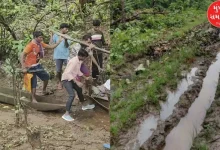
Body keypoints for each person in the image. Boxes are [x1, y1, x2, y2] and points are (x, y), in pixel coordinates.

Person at [20, 31, 63, 103]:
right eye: (40, 37)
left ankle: (44, 90)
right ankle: (33, 98)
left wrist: (58, 42)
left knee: (46, 77)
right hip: (29, 67)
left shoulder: (40, 44)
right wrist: (23, 67)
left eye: (42, 37)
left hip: (37, 65)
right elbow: (22, 55)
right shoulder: (30, 45)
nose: (41, 38)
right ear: (35, 37)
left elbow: (51, 47)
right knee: (33, 83)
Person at [61, 48, 95, 121]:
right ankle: (66, 114)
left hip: (72, 78)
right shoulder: (73, 62)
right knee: (72, 95)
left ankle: (84, 106)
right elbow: (68, 73)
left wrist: (85, 77)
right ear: (81, 56)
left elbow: (78, 71)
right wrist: (77, 82)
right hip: (66, 79)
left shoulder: (79, 61)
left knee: (79, 90)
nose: (85, 59)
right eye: (85, 57)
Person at [52, 23, 71, 90]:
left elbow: (67, 46)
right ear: (61, 29)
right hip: (57, 56)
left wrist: (65, 39)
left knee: (68, 69)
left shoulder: (68, 36)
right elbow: (51, 44)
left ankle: (68, 82)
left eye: (67, 29)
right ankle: (59, 82)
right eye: (66, 29)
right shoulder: (55, 36)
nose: (67, 30)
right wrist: (51, 36)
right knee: (58, 70)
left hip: (66, 56)